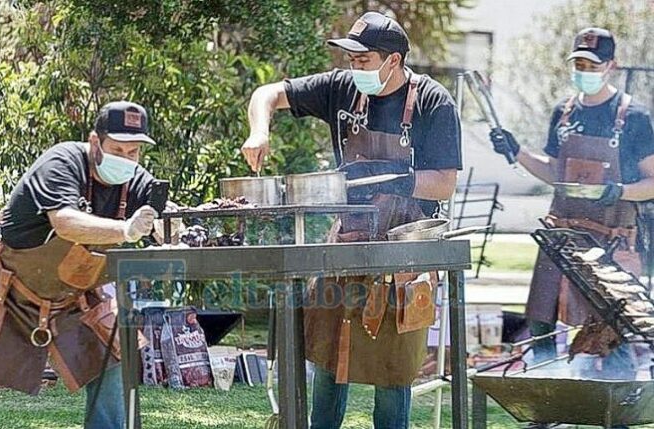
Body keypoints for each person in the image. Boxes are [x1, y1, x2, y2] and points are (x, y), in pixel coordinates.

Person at [241, 12, 461, 429]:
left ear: (393, 61)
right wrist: (259, 132)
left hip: (404, 250)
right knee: (331, 355)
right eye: (351, 59)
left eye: (364, 60)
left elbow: (444, 183)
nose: (354, 67)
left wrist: (396, 180)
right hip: (347, 238)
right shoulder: (341, 88)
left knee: (393, 371)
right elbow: (267, 93)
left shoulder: (434, 102)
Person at [0, 101, 182, 428]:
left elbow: (163, 210)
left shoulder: (135, 180)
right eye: (116, 148)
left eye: (133, 152)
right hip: (5, 287)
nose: (125, 158)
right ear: (95, 142)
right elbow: (64, 223)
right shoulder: (62, 162)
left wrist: (172, 225)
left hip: (74, 292)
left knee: (111, 358)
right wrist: (125, 230)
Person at [490, 26, 654, 399]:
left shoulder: (634, 116)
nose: (584, 69)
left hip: (609, 241)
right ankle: (548, 404)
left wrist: (619, 191)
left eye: (592, 63)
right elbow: (555, 171)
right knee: (540, 321)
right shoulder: (562, 112)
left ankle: (617, 406)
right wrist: (517, 152)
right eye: (579, 62)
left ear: (611, 65)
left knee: (612, 327)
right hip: (560, 237)